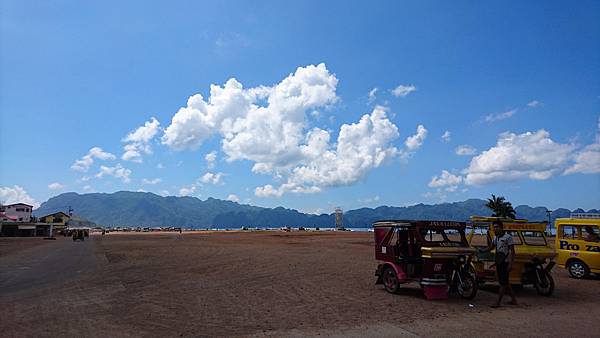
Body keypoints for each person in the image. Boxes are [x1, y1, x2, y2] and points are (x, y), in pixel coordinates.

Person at [479, 220, 518, 308]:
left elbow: (512, 251)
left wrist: (511, 264)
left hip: (505, 262)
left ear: (501, 227)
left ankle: (498, 302)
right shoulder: (496, 238)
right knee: (505, 282)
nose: (495, 229)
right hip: (499, 262)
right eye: (494, 227)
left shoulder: (508, 237)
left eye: (497, 227)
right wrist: (482, 250)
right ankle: (514, 300)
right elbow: (491, 247)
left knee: (503, 283)